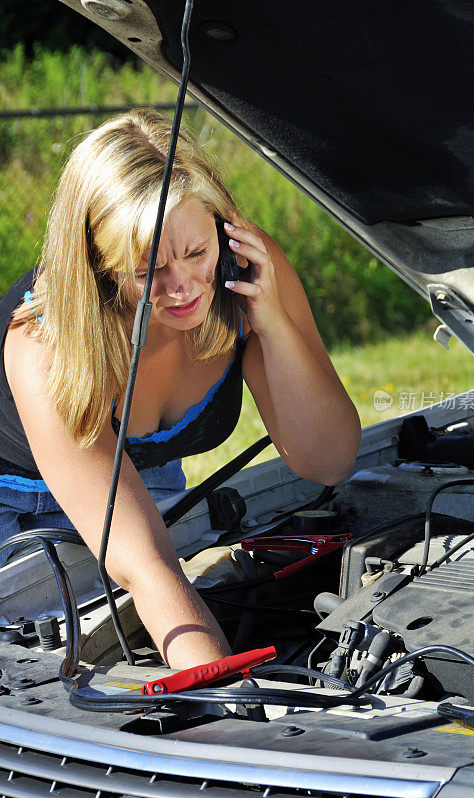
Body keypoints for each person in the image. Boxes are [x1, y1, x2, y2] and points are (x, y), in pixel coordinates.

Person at [0, 108, 361, 669]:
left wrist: (273, 325)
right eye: (149, 272)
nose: (183, 286)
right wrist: (229, 707)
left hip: (142, 476)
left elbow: (329, 459)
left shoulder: (247, 271)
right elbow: (142, 562)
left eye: (196, 253)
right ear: (101, 266)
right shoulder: (45, 343)